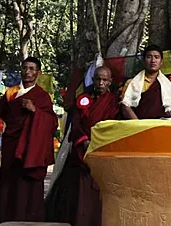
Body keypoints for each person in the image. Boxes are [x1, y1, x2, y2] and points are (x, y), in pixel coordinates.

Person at [46, 66, 119, 226]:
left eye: (104, 80)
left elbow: (114, 125)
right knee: (77, 194)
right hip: (81, 152)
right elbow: (76, 123)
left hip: (102, 151)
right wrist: (84, 141)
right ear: (93, 80)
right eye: (98, 79)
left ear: (110, 82)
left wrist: (98, 143)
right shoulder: (84, 98)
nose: (101, 83)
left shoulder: (113, 102)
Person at [0, 57, 58, 226]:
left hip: (31, 150)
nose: (28, 72)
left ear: (38, 73)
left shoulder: (42, 96)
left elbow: (52, 123)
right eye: (25, 68)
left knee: (26, 189)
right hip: (11, 145)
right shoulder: (10, 93)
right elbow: (5, 115)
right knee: (8, 186)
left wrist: (35, 110)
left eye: (32, 68)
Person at [120, 45, 171, 119]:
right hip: (138, 125)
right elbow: (125, 106)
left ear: (161, 62)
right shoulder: (131, 83)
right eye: (149, 57)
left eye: (156, 57)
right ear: (144, 61)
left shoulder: (168, 85)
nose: (153, 60)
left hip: (161, 125)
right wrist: (138, 124)